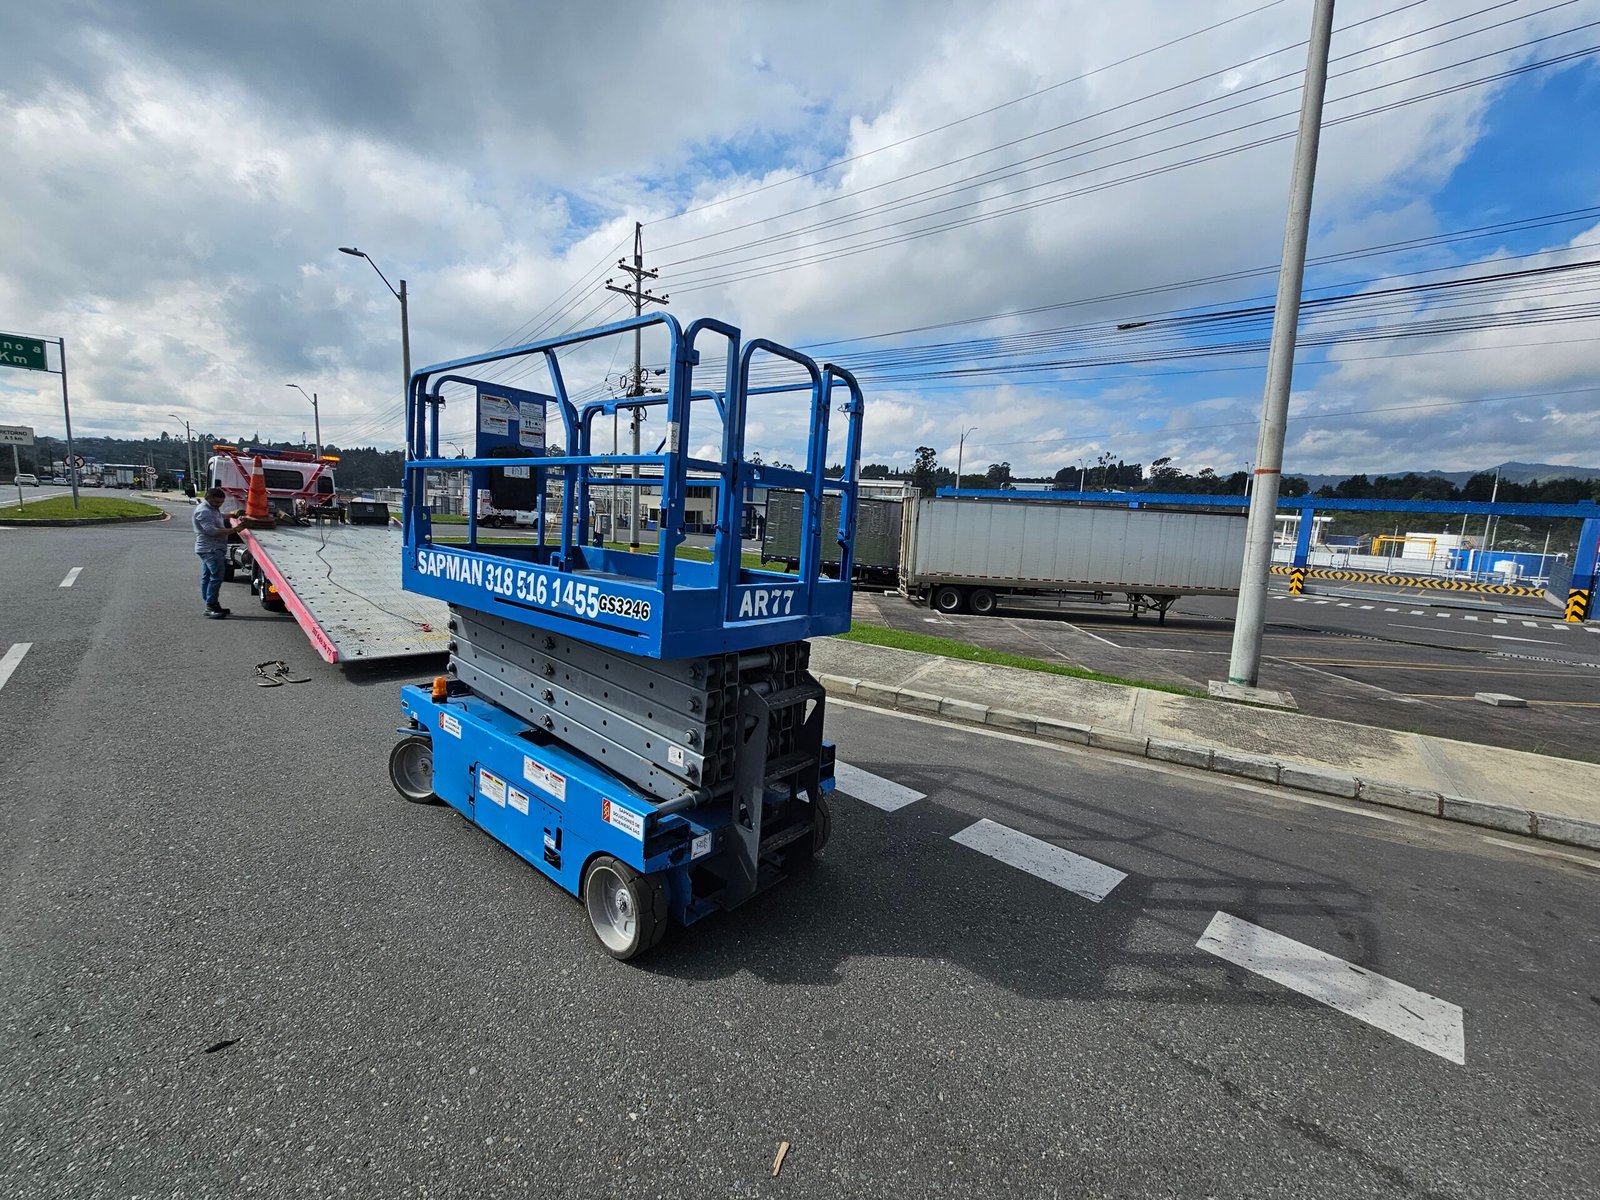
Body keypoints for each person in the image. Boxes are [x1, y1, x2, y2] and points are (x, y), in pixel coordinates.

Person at [193, 487, 237, 618]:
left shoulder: (212, 509)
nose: (218, 505)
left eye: (221, 503)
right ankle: (210, 606)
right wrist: (235, 530)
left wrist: (231, 515)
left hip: (212, 548)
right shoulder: (204, 511)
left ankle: (211, 603)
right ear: (208, 498)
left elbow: (219, 516)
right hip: (210, 549)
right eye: (216, 502)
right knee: (216, 577)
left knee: (208, 577)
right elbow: (212, 530)